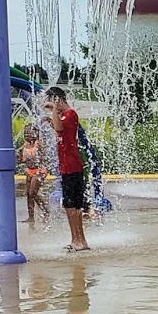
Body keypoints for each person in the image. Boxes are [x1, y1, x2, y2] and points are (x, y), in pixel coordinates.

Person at [47, 85, 90, 252]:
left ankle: (79, 240)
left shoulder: (70, 114)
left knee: (72, 205)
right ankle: (76, 239)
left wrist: (54, 110)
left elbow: (59, 128)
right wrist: (53, 112)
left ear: (58, 100)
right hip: (68, 167)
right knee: (71, 205)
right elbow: (60, 129)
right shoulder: (65, 115)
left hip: (72, 167)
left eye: (53, 101)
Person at [19, 123, 48, 225]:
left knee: (33, 193)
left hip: (39, 171)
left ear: (35, 134)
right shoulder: (25, 145)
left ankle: (45, 210)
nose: (27, 135)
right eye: (25, 133)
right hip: (29, 171)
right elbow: (22, 159)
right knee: (28, 194)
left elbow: (44, 158)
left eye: (29, 133)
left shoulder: (38, 144)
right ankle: (31, 217)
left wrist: (41, 170)